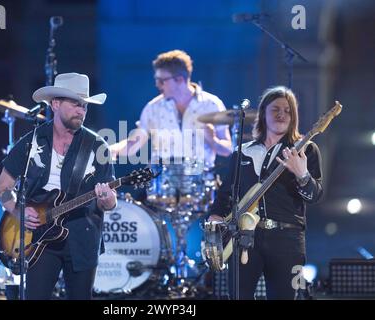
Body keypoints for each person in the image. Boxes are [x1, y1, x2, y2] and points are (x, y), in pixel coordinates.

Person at [0, 72, 117, 300]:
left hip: (82, 238)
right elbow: (2, 188)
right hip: (39, 238)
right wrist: (17, 210)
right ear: (56, 103)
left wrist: (106, 198)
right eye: (75, 104)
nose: (81, 110)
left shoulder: (97, 146)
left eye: (84, 106)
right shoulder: (31, 141)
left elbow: (110, 203)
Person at [208, 86, 324, 300]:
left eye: (288, 111)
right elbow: (225, 196)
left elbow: (315, 196)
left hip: (287, 240)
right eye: (275, 109)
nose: (282, 114)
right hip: (244, 239)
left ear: (294, 117)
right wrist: (215, 218)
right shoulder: (242, 151)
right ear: (263, 114)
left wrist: (302, 174)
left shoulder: (305, 149)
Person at [109, 49, 233, 167]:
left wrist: (213, 140)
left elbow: (227, 150)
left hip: (200, 181)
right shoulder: (153, 108)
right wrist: (113, 149)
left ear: (179, 79)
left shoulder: (211, 104)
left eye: (162, 81)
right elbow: (134, 143)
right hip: (163, 184)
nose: (157, 85)